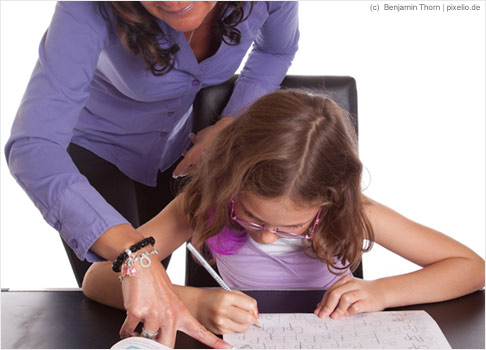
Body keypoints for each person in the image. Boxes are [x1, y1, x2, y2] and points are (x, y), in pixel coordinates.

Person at [4, 1, 298, 347]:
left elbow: (277, 50)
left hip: (177, 153)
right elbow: (33, 145)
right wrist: (133, 255)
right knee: (122, 309)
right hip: (95, 152)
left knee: (155, 298)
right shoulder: (86, 6)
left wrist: (230, 123)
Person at [82, 89, 485, 337]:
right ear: (230, 183)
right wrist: (191, 302)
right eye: (251, 217)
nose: (268, 237)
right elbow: (96, 280)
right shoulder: (201, 201)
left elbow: (471, 266)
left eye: (292, 226)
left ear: (331, 199)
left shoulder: (355, 211)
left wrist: (383, 291)